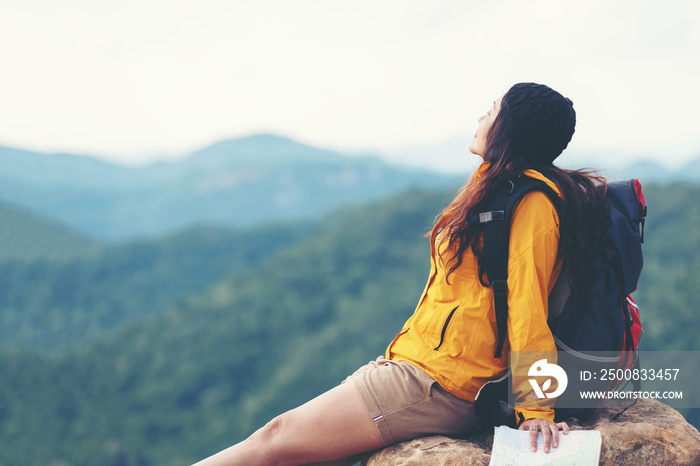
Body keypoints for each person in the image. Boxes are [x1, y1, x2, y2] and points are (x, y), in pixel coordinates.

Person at [194, 82, 608, 466]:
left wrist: (536, 409)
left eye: (490, 112)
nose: (481, 119)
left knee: (275, 437)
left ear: (510, 128)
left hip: (443, 383)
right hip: (419, 363)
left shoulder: (532, 204)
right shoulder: (500, 186)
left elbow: (527, 308)